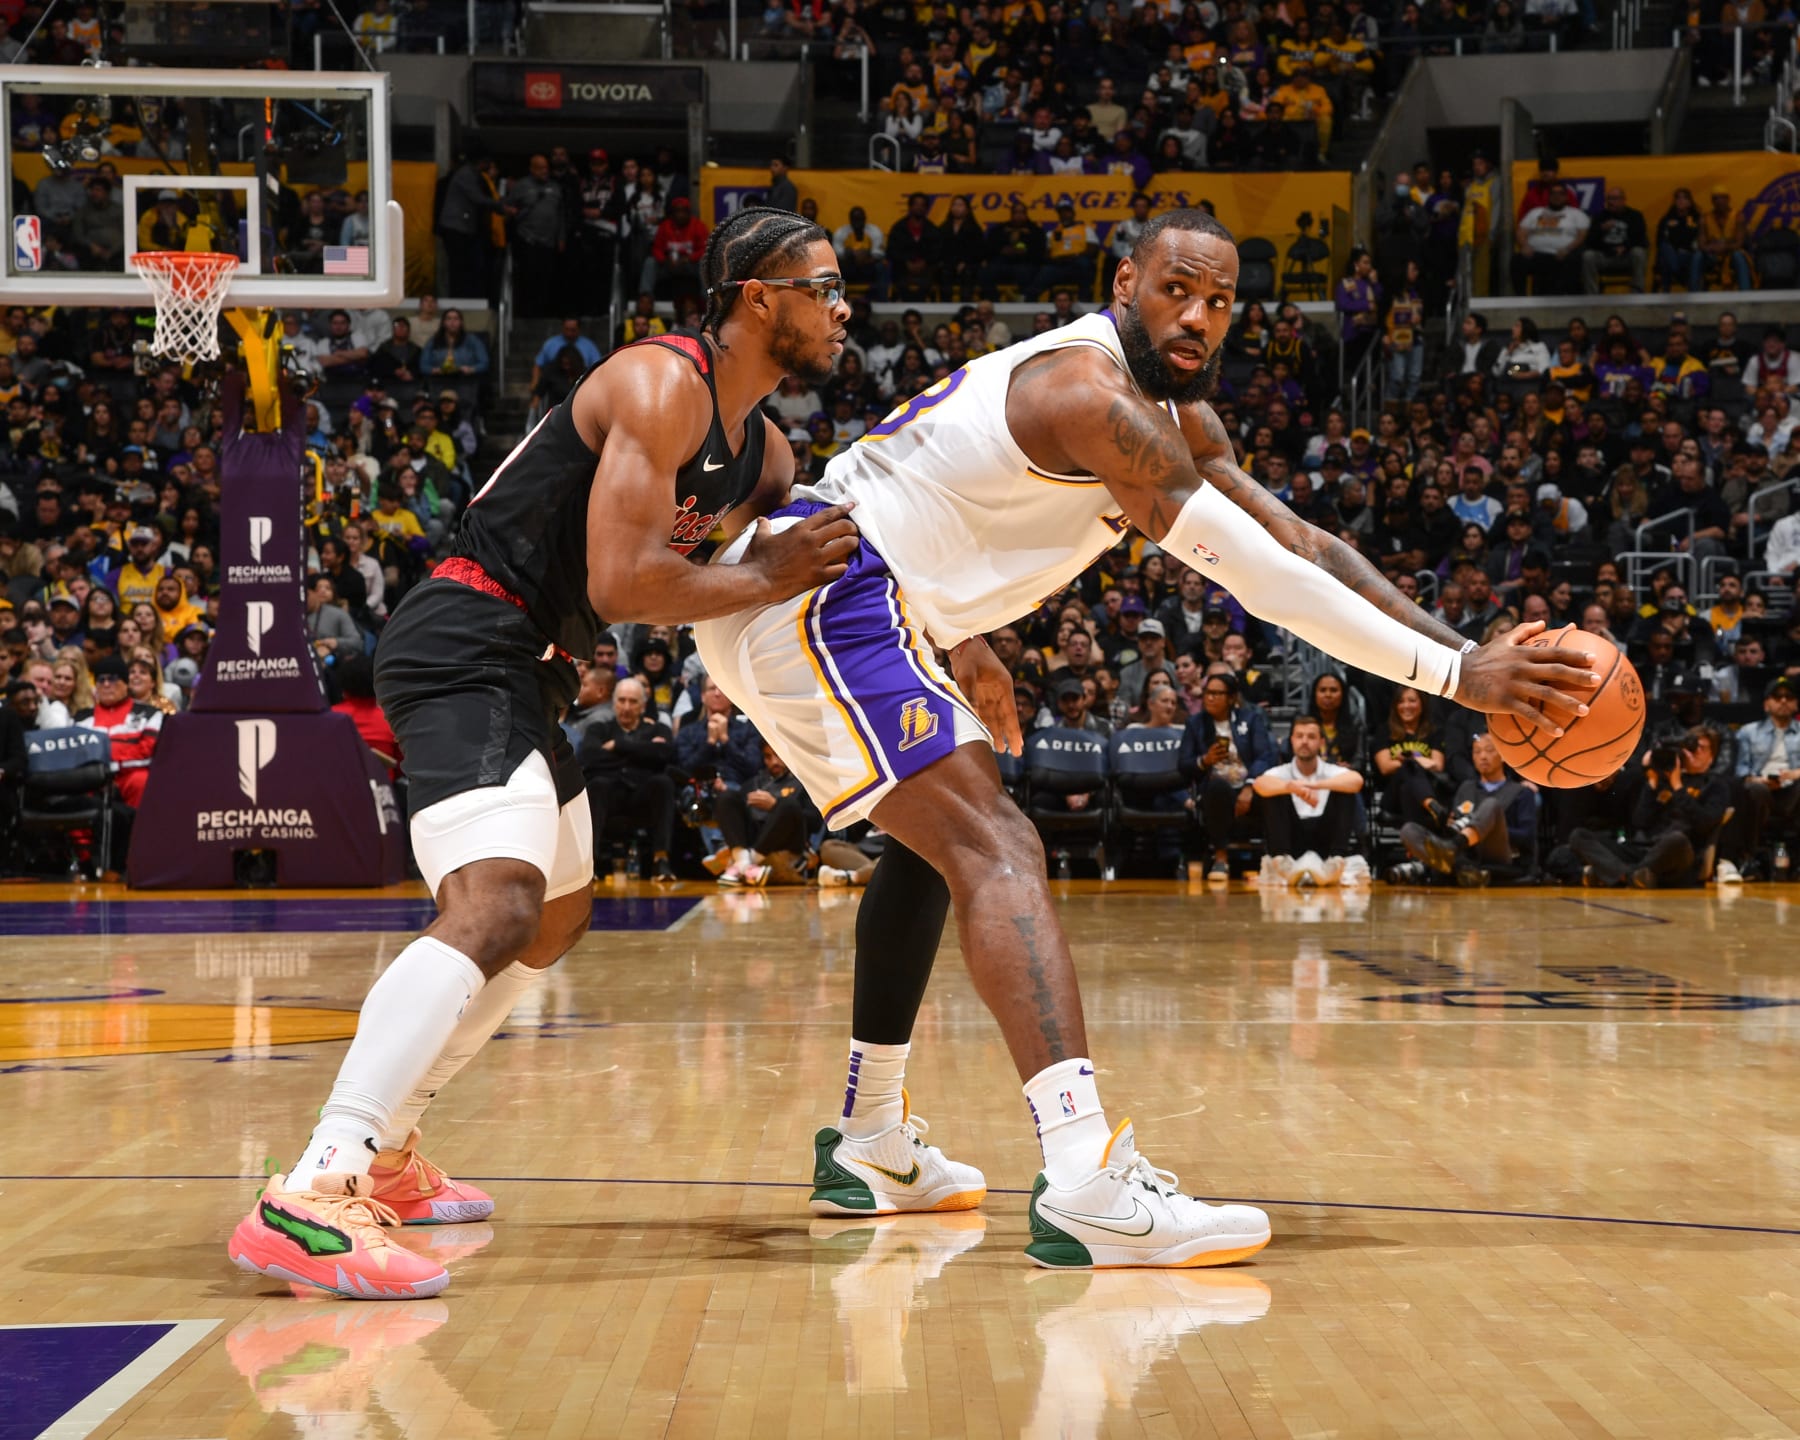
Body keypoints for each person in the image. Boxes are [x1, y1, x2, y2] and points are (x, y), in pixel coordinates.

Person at [691, 209, 1591, 1268]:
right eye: (1177, 290)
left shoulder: (1170, 410)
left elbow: (1299, 538)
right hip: (821, 581)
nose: (1198, 316)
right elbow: (1254, 576)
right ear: (1126, 282)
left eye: (1220, 300)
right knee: (998, 846)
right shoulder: (1092, 395)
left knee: (941, 848)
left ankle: (869, 1143)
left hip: (874, 598)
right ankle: (1083, 1180)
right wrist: (1450, 679)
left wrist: (1469, 655)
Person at [228, 207, 862, 1300]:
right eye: (827, 286)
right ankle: (317, 1185)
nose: (845, 309)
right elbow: (626, 585)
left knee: (556, 918)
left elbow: (804, 559)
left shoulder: (766, 453)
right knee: (497, 903)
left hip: (539, 667)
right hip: (467, 634)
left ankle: (394, 1154)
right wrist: (769, 576)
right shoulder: (663, 385)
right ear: (762, 298)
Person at [1396, 731, 1538, 885]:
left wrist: (1488, 828)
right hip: (1465, 854)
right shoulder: (1466, 788)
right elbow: (1454, 822)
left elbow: (1527, 835)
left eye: (1490, 750)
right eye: (1477, 752)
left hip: (1498, 852)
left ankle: (1446, 857)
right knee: (1409, 830)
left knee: (1491, 805)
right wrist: (1450, 824)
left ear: (1504, 755)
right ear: (1472, 757)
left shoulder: (1521, 791)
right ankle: (1459, 866)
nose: (1483, 756)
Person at [1251, 713, 1366, 881]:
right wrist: (1292, 787)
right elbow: (1259, 784)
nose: (1304, 741)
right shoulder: (1281, 771)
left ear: (1321, 742)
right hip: (1292, 839)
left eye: (1311, 737)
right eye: (1299, 736)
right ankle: (1282, 860)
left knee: (1344, 789)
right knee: (1274, 789)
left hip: (1324, 837)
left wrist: (1312, 785)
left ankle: (1335, 859)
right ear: (1291, 741)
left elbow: (1357, 781)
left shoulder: (1332, 770)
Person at [1511, 182, 1589, 296]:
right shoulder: (1535, 212)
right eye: (1553, 193)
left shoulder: (1576, 214)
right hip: (1536, 255)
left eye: (1560, 194)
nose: (1557, 196)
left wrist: (1568, 249)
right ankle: (1521, 298)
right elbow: (1521, 232)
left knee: (1573, 260)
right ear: (1548, 196)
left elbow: (1581, 236)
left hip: (1562, 255)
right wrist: (1525, 246)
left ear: (1566, 197)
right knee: (1517, 260)